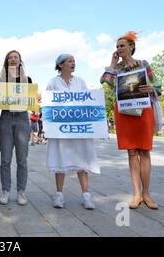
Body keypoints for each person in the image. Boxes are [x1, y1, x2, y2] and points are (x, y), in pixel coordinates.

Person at [101, 31, 160, 210]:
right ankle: (136, 193)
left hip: (143, 110)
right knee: (131, 152)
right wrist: (112, 64)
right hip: (124, 111)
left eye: (122, 46)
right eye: (117, 47)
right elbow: (105, 80)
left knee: (144, 151)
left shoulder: (143, 64)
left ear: (131, 47)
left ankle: (146, 193)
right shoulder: (117, 69)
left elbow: (157, 84)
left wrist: (152, 88)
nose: (119, 49)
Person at [47, 54, 100, 210]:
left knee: (82, 159)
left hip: (78, 127)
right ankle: (59, 194)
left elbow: (87, 101)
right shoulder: (53, 82)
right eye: (70, 61)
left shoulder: (80, 81)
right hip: (61, 128)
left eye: (74, 61)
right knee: (60, 159)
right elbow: (49, 103)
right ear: (61, 64)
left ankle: (86, 195)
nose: (73, 63)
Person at [0, 50, 32, 206]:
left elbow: (30, 101)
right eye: (10, 57)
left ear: (20, 60)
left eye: (15, 57)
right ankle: (5, 190)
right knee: (5, 159)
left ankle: (21, 191)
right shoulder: (1, 80)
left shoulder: (27, 79)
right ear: (6, 61)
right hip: (6, 117)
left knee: (22, 159)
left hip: (22, 118)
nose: (12, 59)